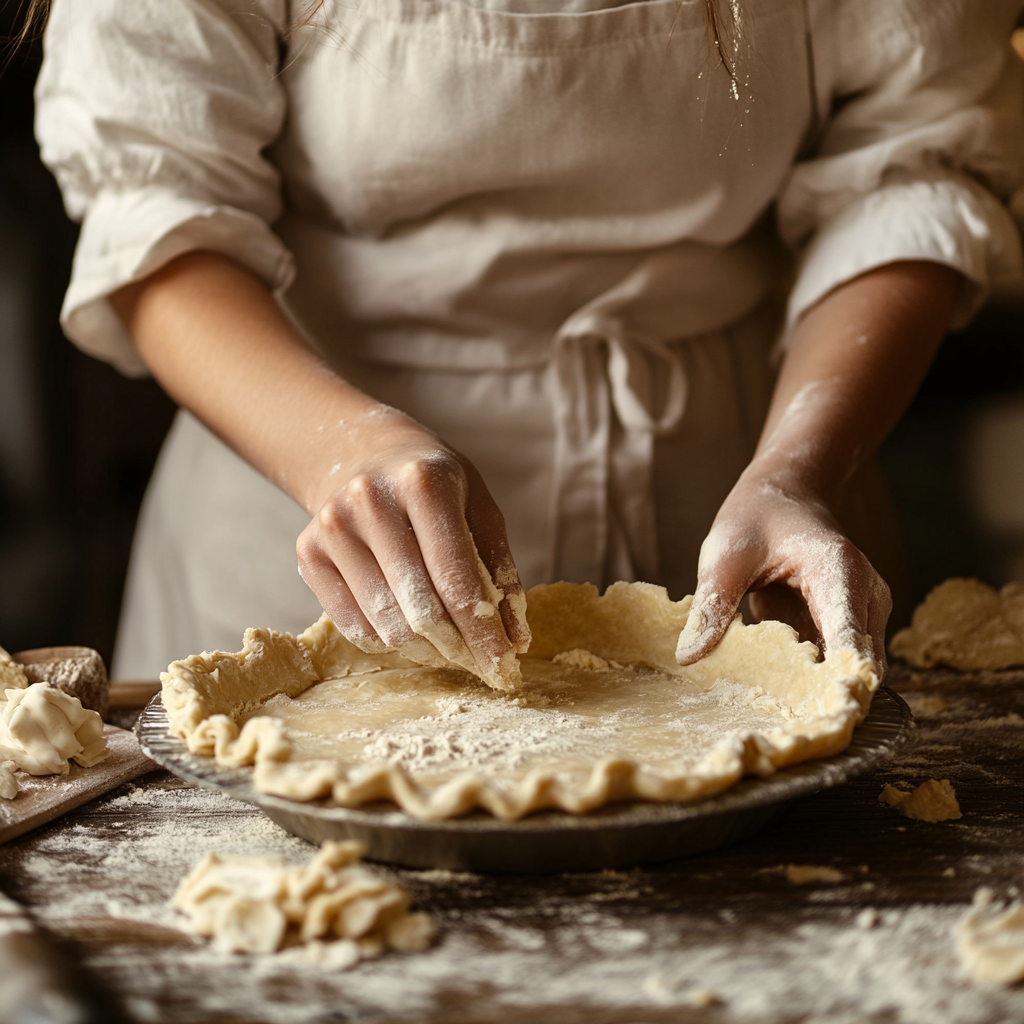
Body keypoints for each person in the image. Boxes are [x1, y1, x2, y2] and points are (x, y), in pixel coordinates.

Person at [33, 0, 1024, 683]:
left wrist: (799, 469)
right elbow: (160, 210)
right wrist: (342, 451)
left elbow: (910, 167)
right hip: (301, 533)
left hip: (743, 513)